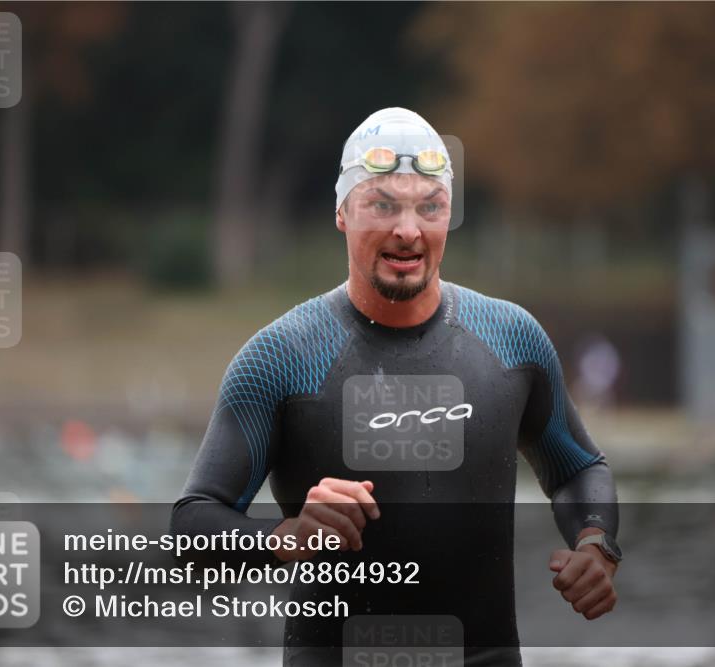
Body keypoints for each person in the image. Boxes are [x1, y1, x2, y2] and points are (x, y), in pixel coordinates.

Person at [171, 108, 621, 666]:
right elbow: (191, 525)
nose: (408, 229)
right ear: (342, 211)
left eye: (428, 207)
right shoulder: (280, 358)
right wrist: (281, 537)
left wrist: (596, 545)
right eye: (382, 204)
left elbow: (579, 468)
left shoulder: (511, 339)